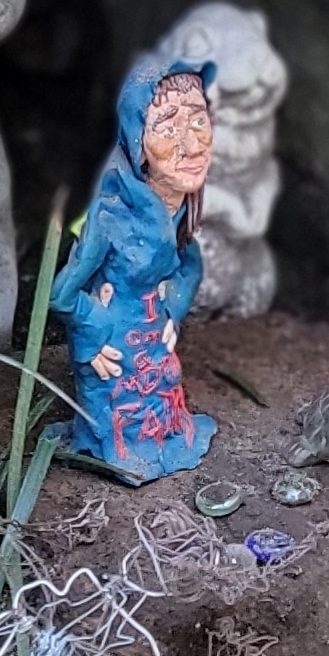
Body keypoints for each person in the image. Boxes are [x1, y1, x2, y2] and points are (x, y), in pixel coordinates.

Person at [53, 55, 219, 481]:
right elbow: (61, 294)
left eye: (198, 120)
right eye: (167, 127)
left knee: (163, 400)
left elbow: (189, 261)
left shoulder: (177, 208)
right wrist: (92, 336)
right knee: (121, 421)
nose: (192, 143)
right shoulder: (110, 217)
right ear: (137, 141)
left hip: (151, 339)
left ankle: (160, 439)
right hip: (113, 347)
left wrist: (175, 308)